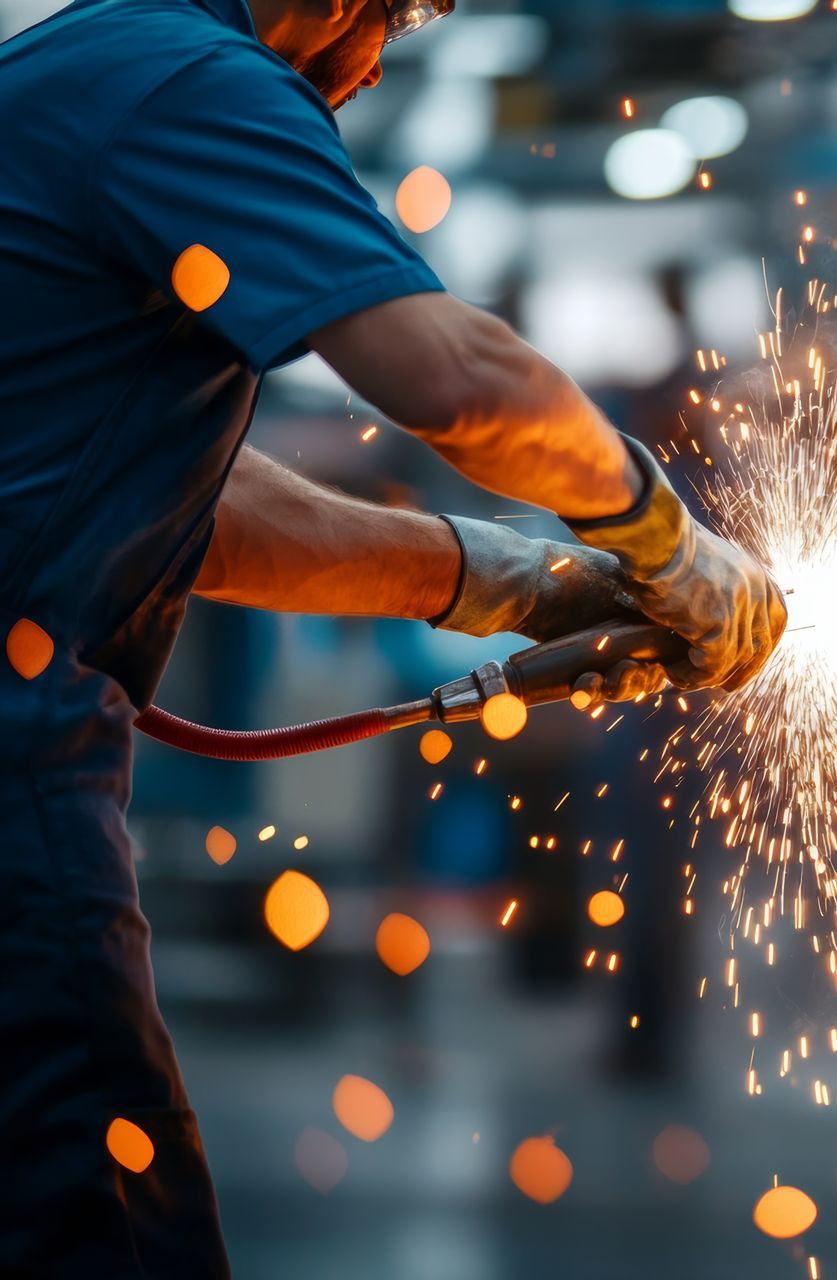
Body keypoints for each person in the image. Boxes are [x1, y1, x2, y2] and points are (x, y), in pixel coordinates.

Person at [0, 0, 785, 1268]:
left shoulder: (85, 74)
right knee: (100, 1225)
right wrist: (665, 539)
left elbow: (202, 507)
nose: (369, 72)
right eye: (393, 16)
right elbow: (455, 378)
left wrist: (512, 579)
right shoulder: (192, 80)